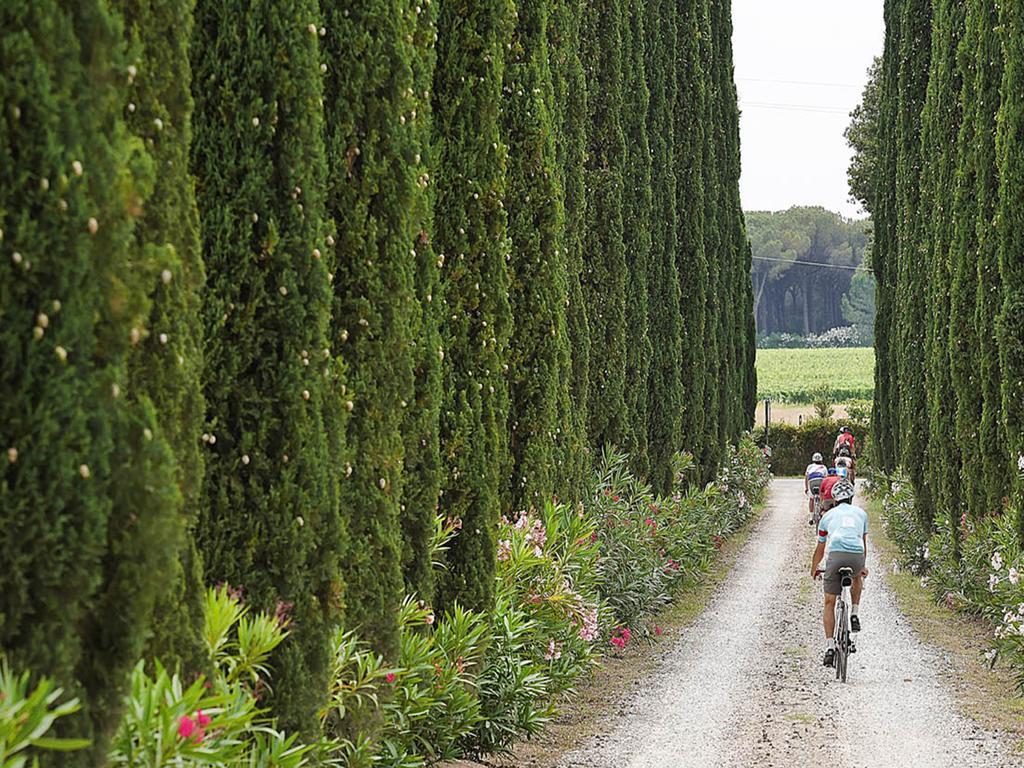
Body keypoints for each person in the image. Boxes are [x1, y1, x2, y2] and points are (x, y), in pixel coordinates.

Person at [810, 479, 868, 668]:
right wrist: (862, 565)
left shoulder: (828, 516)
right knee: (857, 575)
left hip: (835, 555)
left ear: (834, 499)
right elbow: (863, 544)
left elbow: (821, 548)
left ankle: (830, 647)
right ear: (851, 498)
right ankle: (855, 612)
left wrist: (814, 567)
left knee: (829, 601)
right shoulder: (862, 514)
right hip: (856, 556)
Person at [804, 452, 828, 524]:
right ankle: (821, 512)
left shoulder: (809, 466)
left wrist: (806, 488)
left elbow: (806, 478)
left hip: (812, 482)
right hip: (820, 482)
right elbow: (826, 479)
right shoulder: (824, 467)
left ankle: (811, 517)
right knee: (822, 498)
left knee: (811, 499)